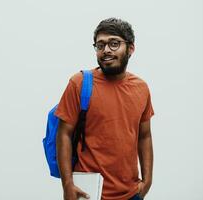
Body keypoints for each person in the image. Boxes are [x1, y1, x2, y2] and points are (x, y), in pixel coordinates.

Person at [55, 18, 154, 200]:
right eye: (100, 45)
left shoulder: (141, 88)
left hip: (131, 193)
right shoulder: (79, 83)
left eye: (114, 43)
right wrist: (67, 184)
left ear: (130, 48)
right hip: (89, 193)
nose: (106, 50)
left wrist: (147, 181)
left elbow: (144, 135)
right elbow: (64, 134)